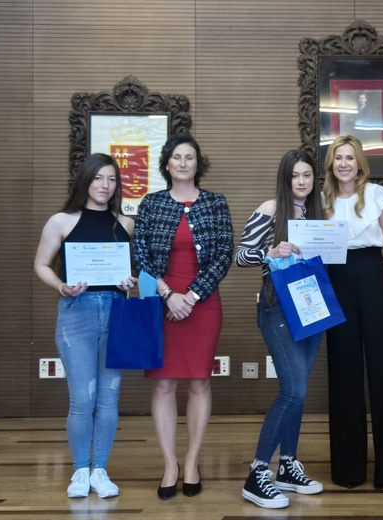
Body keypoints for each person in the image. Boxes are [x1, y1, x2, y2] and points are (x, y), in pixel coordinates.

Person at [133, 133, 233, 500]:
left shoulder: (215, 203)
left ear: (197, 163)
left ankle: (192, 461)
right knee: (163, 383)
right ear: (167, 163)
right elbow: (140, 251)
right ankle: (169, 464)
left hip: (202, 302)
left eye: (189, 157)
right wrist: (168, 294)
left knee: (199, 382)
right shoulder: (152, 203)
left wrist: (190, 296)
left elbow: (225, 253)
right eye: (177, 157)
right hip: (162, 300)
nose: (183, 163)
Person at [34, 153, 136, 499]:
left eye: (111, 180)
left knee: (109, 398)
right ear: (85, 181)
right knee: (82, 399)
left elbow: (130, 271)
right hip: (76, 312)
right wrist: (61, 286)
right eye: (98, 179)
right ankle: (80, 470)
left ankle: (100, 470)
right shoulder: (61, 221)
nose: (105, 186)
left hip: (115, 312)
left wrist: (128, 282)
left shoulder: (125, 223)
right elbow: (42, 265)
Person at [236, 149, 325, 509]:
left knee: (299, 392)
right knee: (293, 389)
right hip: (277, 308)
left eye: (307, 175)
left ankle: (288, 466)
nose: (301, 182)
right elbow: (241, 255)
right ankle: (258, 473)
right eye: (295, 176)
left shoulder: (319, 213)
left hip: (314, 307)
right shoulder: (271, 208)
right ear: (285, 179)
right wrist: (269, 252)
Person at [322, 134, 383, 489]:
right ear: (331, 164)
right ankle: (348, 470)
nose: (344, 163)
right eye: (338, 158)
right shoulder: (320, 199)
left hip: (374, 279)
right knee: (344, 373)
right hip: (335, 281)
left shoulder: (377, 195)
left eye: (350, 158)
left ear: (360, 163)